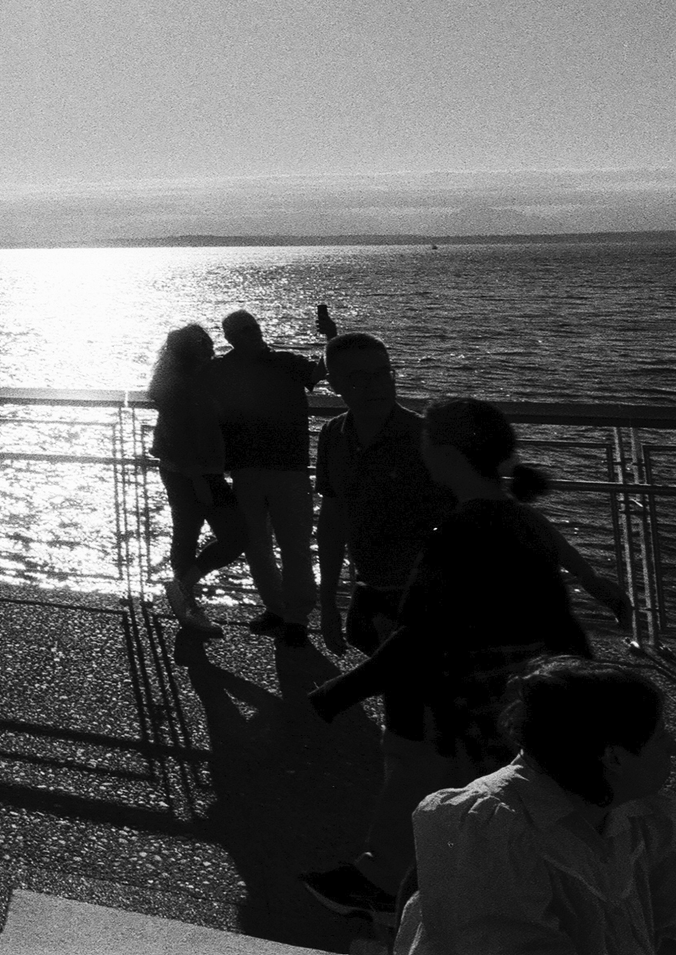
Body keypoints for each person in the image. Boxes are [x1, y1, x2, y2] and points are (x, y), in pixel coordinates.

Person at [307, 400, 624, 919]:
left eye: (427, 440)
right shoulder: (518, 518)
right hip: (505, 684)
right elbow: (555, 604)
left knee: (417, 776)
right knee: (472, 789)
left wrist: (337, 693)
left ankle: (393, 885)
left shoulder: (458, 532)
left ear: (447, 456)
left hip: (452, 691)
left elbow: (420, 633)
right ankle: (406, 878)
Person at [398, 659, 676, 952]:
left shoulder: (653, 819)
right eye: (660, 736)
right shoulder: (489, 824)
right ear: (613, 757)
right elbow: (500, 944)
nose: (674, 748)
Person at [297, 328, 456, 919]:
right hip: (377, 599)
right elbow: (333, 517)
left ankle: (392, 877)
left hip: (430, 610)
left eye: (381, 373)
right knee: (423, 738)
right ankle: (424, 867)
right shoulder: (334, 436)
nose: (373, 386)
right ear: (332, 383)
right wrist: (330, 598)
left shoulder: (424, 439)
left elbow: (469, 515)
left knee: (411, 740)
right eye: (357, 377)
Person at [209, 309, 323, 645]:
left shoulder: (285, 361)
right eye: (244, 330)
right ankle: (278, 610)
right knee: (257, 547)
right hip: (248, 469)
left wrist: (332, 336)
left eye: (254, 327)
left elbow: (324, 370)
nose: (253, 333)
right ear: (230, 337)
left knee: (294, 547)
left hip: (288, 469)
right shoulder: (221, 369)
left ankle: (297, 619)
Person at [147, 323, 248, 635]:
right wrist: (199, 480)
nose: (210, 347)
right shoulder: (182, 385)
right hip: (189, 472)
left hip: (193, 470)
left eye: (208, 342)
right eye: (203, 344)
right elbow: (179, 437)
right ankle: (186, 598)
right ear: (190, 352)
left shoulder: (190, 379)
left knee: (189, 533)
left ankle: (185, 598)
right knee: (231, 535)